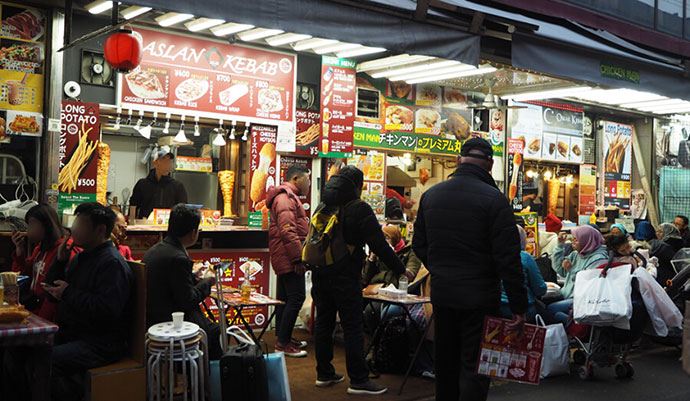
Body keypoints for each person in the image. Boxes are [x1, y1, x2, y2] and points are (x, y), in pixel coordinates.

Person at [412, 137, 527, 401]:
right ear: (490, 164)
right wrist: (518, 307)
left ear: (458, 160)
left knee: (446, 362)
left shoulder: (431, 196)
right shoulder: (496, 201)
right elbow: (508, 259)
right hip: (480, 298)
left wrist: (441, 268)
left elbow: (418, 245)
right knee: (475, 366)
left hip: (443, 294)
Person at [312, 165, 405, 396]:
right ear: (358, 185)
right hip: (345, 276)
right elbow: (379, 245)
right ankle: (359, 380)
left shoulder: (323, 205)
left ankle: (324, 373)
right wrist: (401, 269)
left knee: (324, 323)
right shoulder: (358, 208)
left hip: (321, 273)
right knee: (353, 326)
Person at [43, 203, 133, 401]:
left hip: (101, 343)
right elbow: (50, 292)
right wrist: (59, 261)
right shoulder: (80, 258)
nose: (73, 229)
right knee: (25, 350)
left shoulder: (112, 264)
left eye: (80, 224)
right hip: (74, 334)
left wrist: (68, 293)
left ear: (100, 230)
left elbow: (107, 311)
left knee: (45, 361)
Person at [144, 204, 222, 359]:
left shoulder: (156, 250)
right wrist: (208, 281)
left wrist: (193, 277)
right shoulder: (178, 258)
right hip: (170, 320)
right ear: (193, 232)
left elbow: (171, 284)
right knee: (215, 330)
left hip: (152, 317)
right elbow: (188, 300)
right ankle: (207, 379)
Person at [266, 165, 311, 358]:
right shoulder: (285, 198)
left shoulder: (287, 197)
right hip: (288, 255)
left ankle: (282, 337)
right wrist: (298, 258)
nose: (309, 183)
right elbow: (287, 230)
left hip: (283, 254)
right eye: (307, 179)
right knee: (297, 297)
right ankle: (282, 343)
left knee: (286, 299)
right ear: (295, 179)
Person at [10, 204, 73, 321]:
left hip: (51, 316)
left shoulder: (64, 250)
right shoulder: (40, 248)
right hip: (32, 308)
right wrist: (19, 250)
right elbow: (21, 276)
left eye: (32, 224)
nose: (28, 229)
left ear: (47, 225)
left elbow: (54, 293)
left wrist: (40, 319)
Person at [548, 225, 608, 325]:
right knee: (543, 302)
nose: (573, 242)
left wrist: (571, 270)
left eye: (576, 239)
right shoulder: (577, 254)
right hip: (567, 295)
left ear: (587, 240)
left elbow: (588, 284)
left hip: (582, 300)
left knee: (551, 309)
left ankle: (577, 329)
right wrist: (560, 245)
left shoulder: (599, 259)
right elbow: (560, 270)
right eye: (573, 239)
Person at [500, 226, 546, 322]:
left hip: (496, 309)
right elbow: (540, 289)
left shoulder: (492, 255)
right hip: (524, 310)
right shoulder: (525, 257)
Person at [129, 146, 187, 220]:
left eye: (169, 160)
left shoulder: (177, 186)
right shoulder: (142, 184)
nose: (167, 163)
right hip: (145, 226)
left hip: (168, 227)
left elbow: (183, 210)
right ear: (155, 162)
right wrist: (131, 224)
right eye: (163, 159)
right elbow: (133, 205)